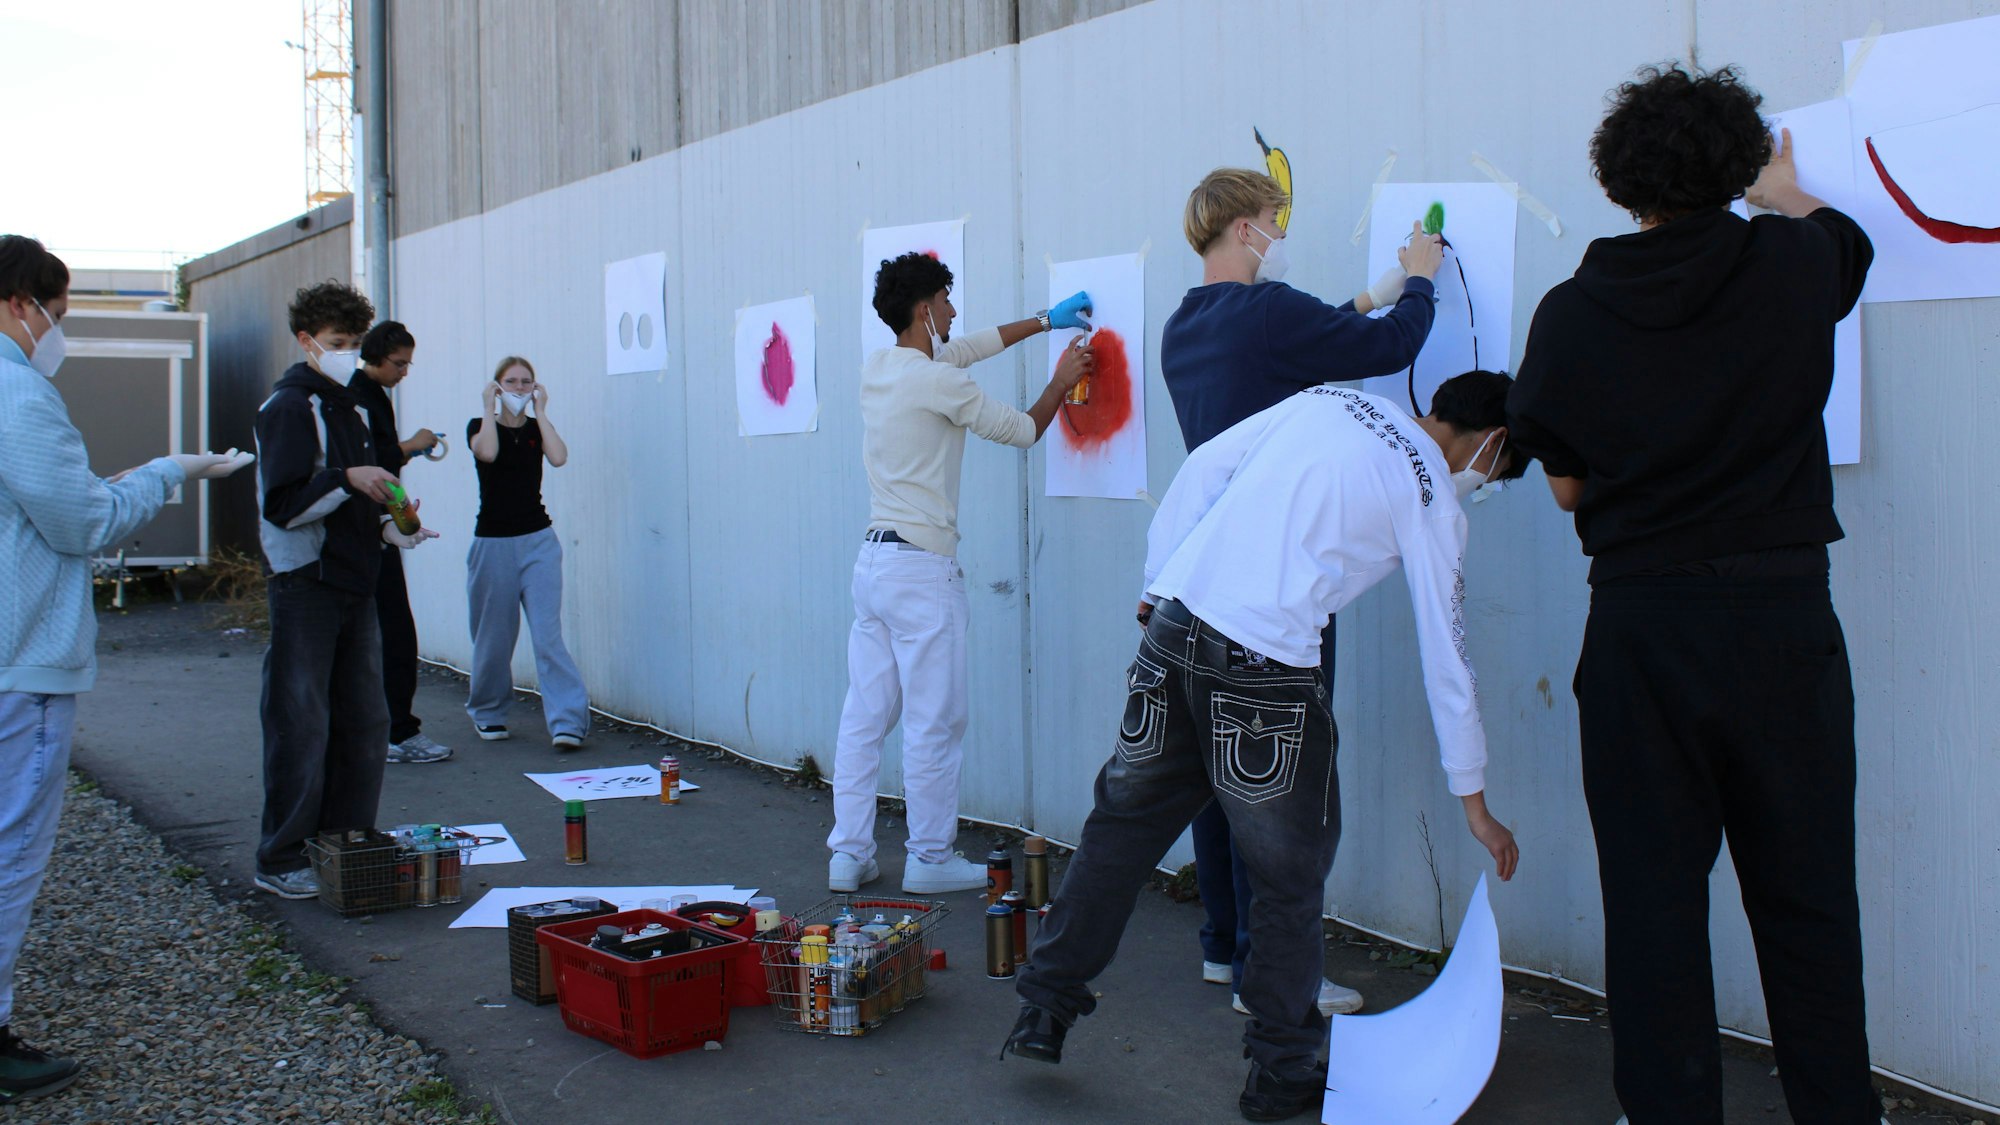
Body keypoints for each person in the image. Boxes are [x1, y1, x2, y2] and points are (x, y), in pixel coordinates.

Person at [1506, 64, 1877, 1125]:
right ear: (1733, 162)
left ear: (1620, 180)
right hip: (1780, 619)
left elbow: (1569, 482)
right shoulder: (1789, 262)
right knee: (1806, 904)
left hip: (1641, 628)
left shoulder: (1572, 311)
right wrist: (1777, 189)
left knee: (1654, 908)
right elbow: (1841, 236)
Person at [1006, 373, 1526, 1123]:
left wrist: (1160, 581)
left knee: (1120, 832)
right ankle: (1280, 1069)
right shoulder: (1432, 497)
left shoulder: (1334, 400)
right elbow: (1448, 656)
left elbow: (1204, 466)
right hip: (1266, 671)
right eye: (1496, 475)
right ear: (1492, 442)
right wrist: (1474, 800)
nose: (1482, 483)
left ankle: (1043, 1009)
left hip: (1176, 628)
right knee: (1288, 874)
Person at [1162, 166, 1444, 1020]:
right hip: (1281, 581)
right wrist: (1423, 277)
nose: (1279, 234)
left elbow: (1306, 336)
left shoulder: (1187, 324)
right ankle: (1274, 971)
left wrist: (1377, 288)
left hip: (1204, 576)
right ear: (1245, 228)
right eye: (1273, 221)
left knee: (1218, 768)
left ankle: (1225, 945)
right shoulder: (1270, 315)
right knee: (1284, 780)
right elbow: (1388, 349)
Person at [0, 235, 250, 1103]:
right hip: (21, 662)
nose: (54, 332)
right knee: (11, 850)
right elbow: (78, 522)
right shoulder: (18, 395)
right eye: (54, 314)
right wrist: (166, 472)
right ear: (17, 303)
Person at [827, 252, 1094, 895]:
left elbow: (966, 349)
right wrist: (1062, 378)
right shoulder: (938, 384)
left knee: (865, 718)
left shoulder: (883, 370)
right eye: (946, 300)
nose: (953, 311)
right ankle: (930, 857)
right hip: (923, 572)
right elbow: (1026, 429)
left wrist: (1041, 321)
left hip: (874, 566)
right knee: (934, 722)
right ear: (925, 310)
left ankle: (848, 855)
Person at [255, 281, 439, 900]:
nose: (349, 354)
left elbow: (355, 499)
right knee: (300, 721)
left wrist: (392, 527)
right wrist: (347, 476)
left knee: (365, 720)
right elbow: (283, 504)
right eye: (338, 343)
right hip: (304, 584)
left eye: (355, 343)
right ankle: (281, 858)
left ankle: (346, 844)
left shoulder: (355, 406)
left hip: (357, 579)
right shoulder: (287, 406)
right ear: (307, 342)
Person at [464, 356, 587, 750]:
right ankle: (489, 713)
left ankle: (568, 721)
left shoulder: (537, 429)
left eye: (525, 382)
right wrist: (489, 409)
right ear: (497, 386)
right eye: (511, 382)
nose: (518, 388)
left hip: (538, 541)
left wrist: (541, 411)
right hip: (493, 543)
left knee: (548, 636)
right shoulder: (479, 426)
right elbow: (486, 453)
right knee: (494, 638)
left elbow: (559, 457)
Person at [352, 320, 450, 764]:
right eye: (398, 363)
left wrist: (403, 516)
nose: (403, 372)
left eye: (408, 364)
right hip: (364, 530)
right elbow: (376, 462)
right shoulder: (359, 396)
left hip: (377, 524)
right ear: (374, 355)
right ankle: (395, 732)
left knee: (388, 632)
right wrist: (414, 444)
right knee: (391, 632)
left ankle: (389, 729)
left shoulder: (371, 396)